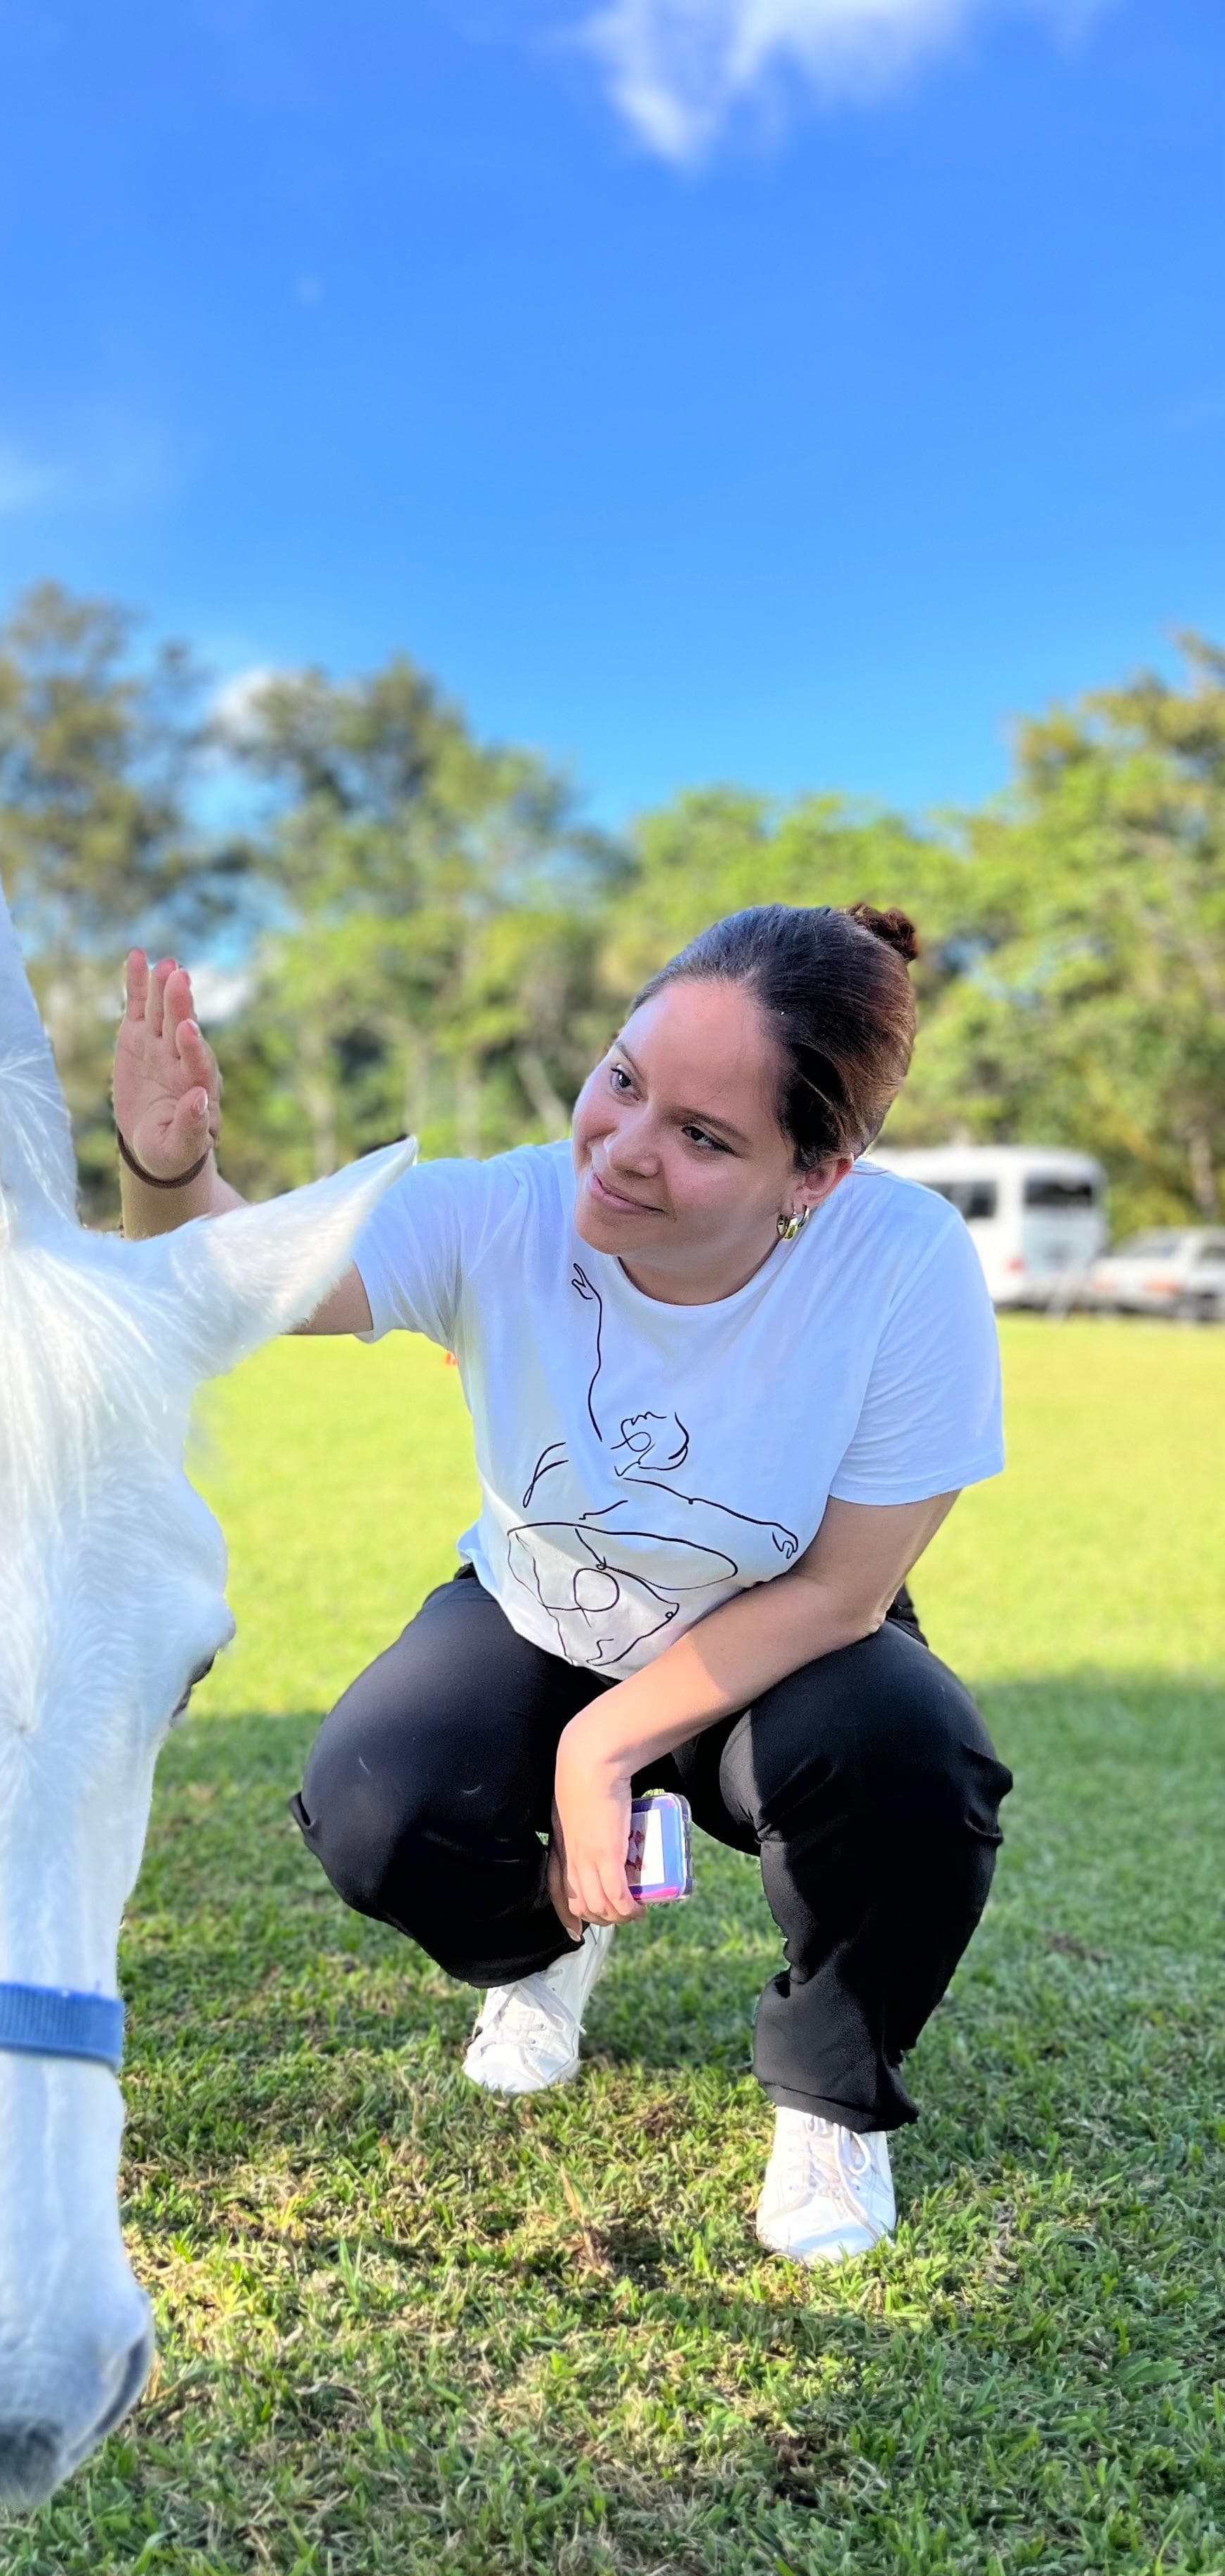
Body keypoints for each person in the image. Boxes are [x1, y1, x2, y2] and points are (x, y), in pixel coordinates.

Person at [114, 904, 1012, 2264]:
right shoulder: (505, 1210)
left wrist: (600, 1749)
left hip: (785, 1640)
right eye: (624, 1079)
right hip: (544, 1608)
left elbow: (843, 1591)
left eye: (704, 1136)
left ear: (815, 1177)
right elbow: (217, 1283)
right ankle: (547, 1950)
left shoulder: (902, 1260)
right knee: (378, 1808)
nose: (626, 1148)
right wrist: (168, 1165)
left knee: (911, 1765)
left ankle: (831, 2097)